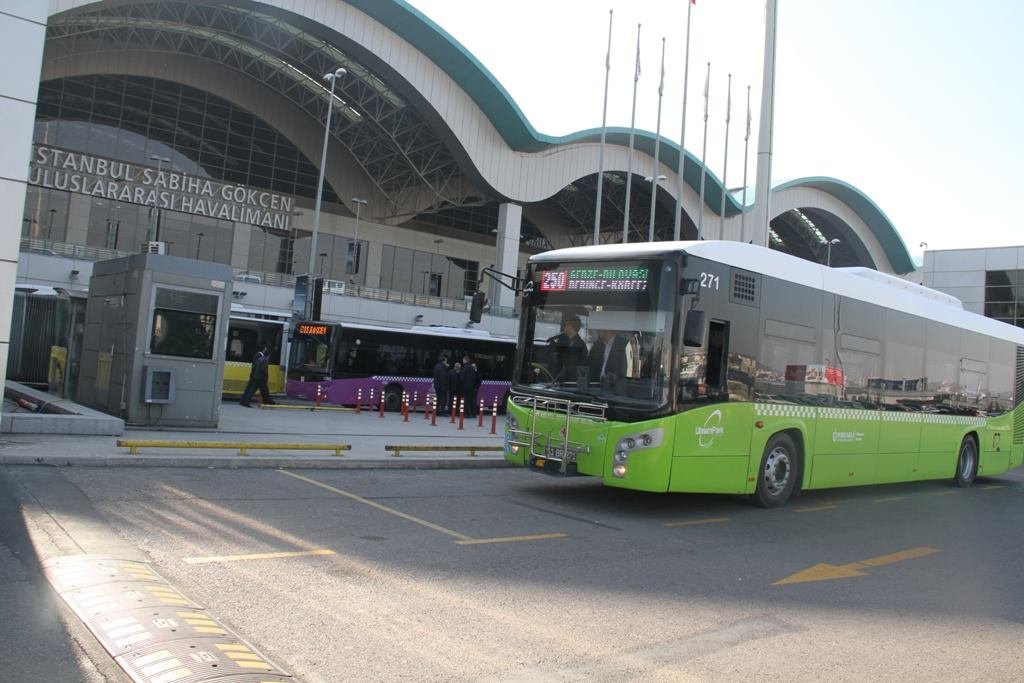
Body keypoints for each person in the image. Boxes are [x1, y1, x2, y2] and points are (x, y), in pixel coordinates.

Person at [550, 316, 588, 384]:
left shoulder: (578, 344)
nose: (563, 327)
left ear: (570, 326)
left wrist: (554, 382)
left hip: (572, 384)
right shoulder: (571, 342)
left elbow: (568, 367)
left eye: (565, 325)